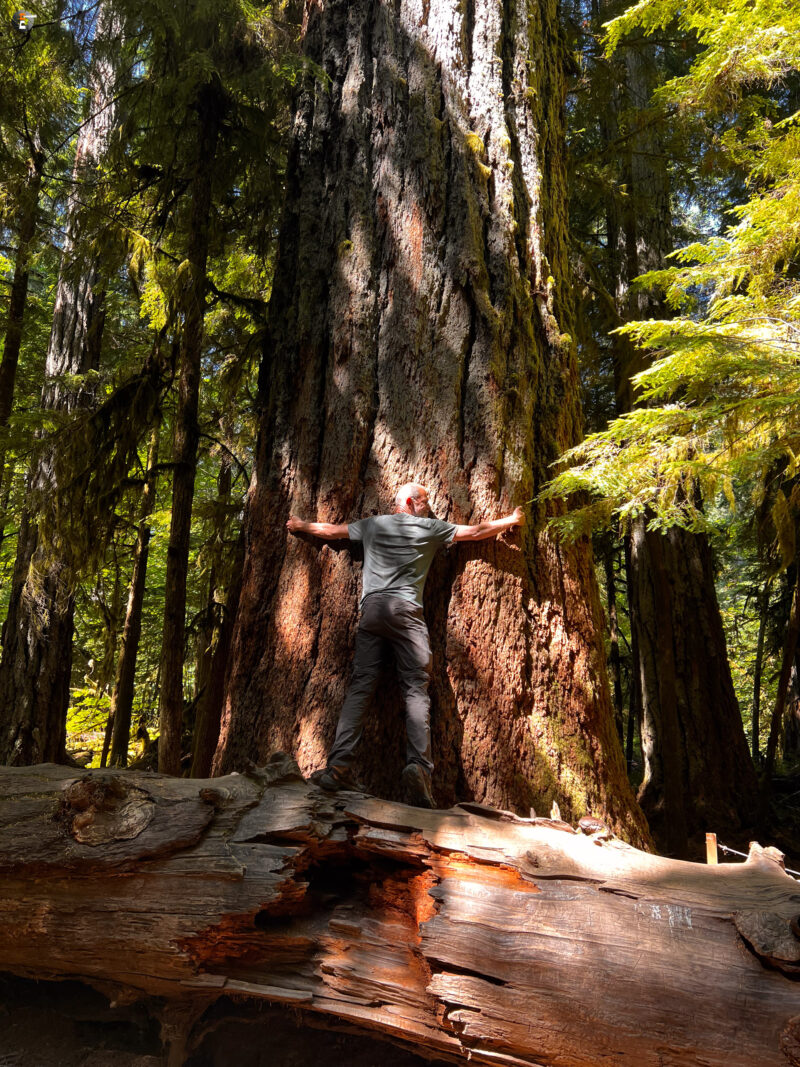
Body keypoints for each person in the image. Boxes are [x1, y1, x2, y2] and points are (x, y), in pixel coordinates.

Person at [286, 483, 526, 808]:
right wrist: (509, 520)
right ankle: (419, 769)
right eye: (425, 501)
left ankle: (339, 767)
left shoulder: (374, 525)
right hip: (406, 613)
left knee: (360, 687)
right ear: (411, 503)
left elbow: (332, 532)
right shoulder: (428, 528)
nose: (429, 506)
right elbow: (475, 532)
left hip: (371, 612)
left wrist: (301, 526)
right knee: (415, 689)